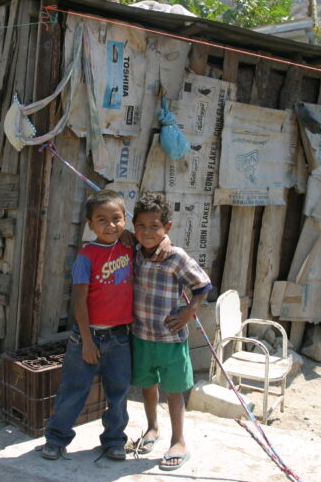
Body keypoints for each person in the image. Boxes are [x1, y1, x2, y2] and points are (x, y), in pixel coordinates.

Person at [40, 190, 135, 461]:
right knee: (74, 390)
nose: (110, 225)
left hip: (120, 338)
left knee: (118, 392)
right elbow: (79, 301)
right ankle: (56, 439)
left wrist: (132, 236)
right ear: (90, 224)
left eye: (116, 218)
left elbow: (159, 237)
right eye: (102, 220)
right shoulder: (87, 255)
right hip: (87, 336)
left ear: (125, 220)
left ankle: (115, 440)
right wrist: (87, 341)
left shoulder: (130, 247)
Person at [130, 192, 212, 471]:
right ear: (133, 226)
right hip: (141, 335)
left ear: (167, 227)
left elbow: (203, 285)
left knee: (173, 390)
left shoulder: (175, 256)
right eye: (141, 226)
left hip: (170, 338)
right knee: (147, 385)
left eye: (155, 226)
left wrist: (190, 311)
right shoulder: (134, 252)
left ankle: (179, 441)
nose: (147, 232)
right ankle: (152, 428)